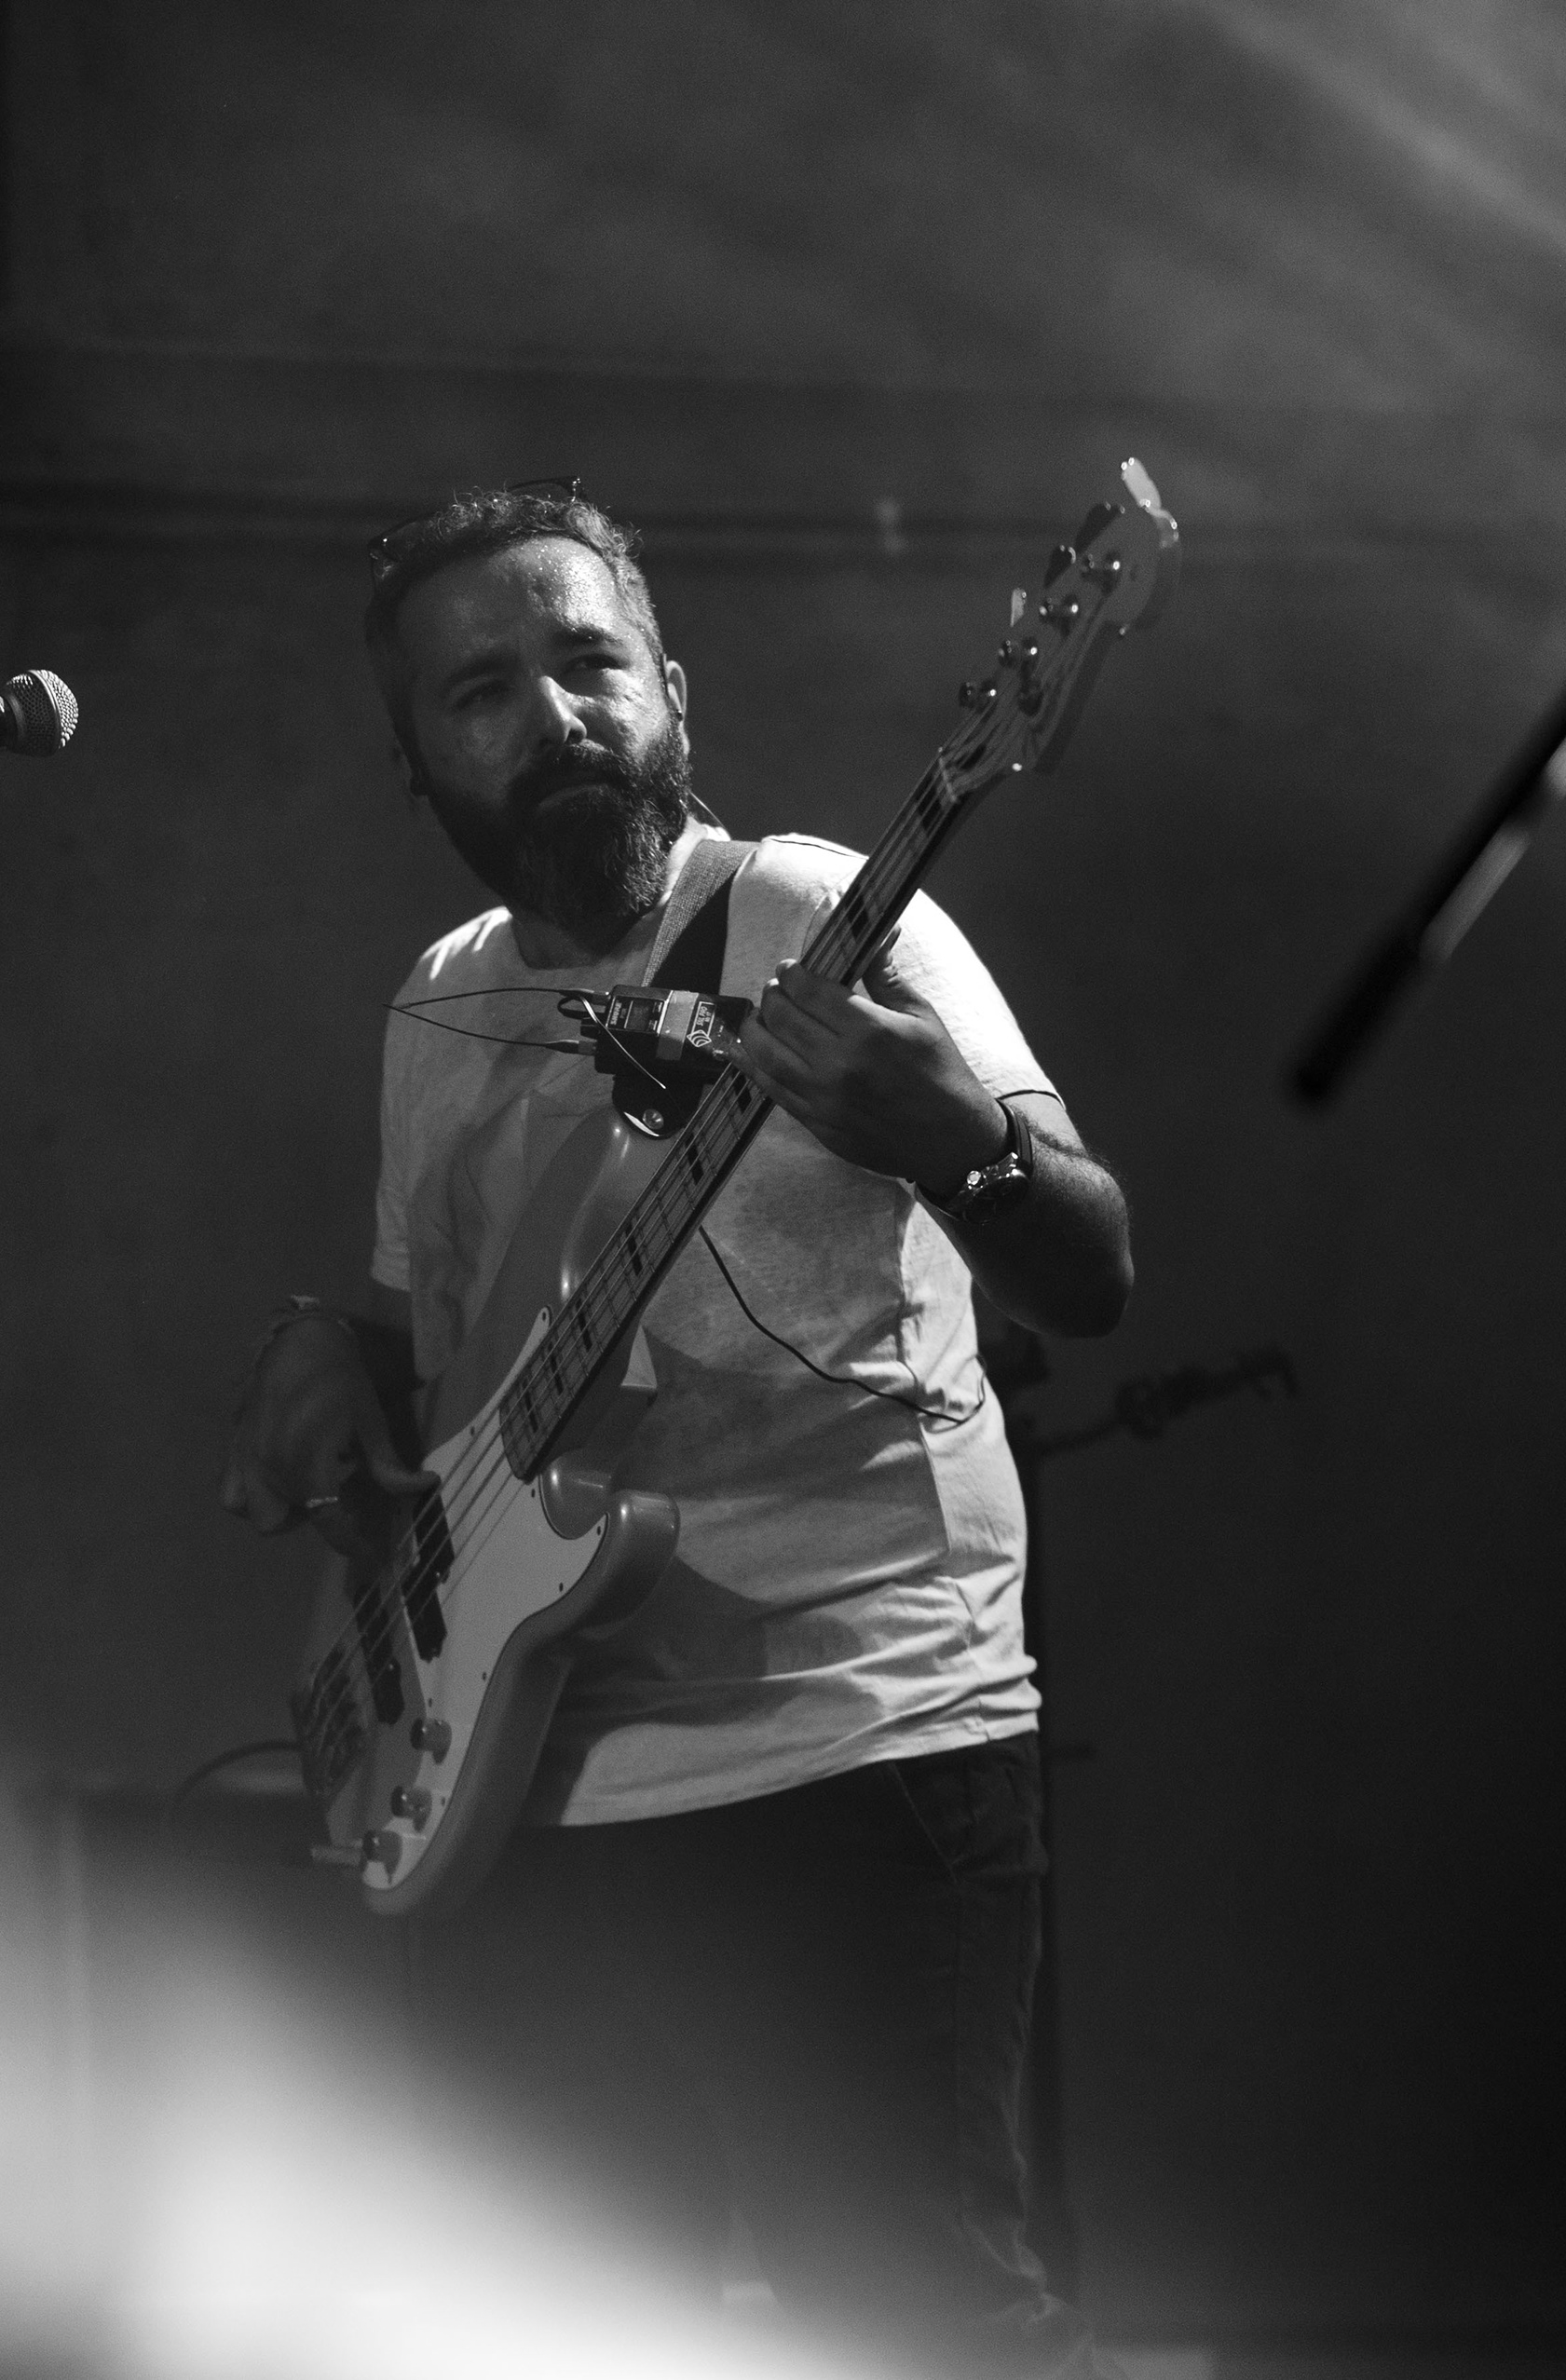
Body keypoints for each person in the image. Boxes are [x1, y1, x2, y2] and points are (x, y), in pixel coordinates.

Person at [220, 482, 1133, 2378]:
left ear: (673, 695)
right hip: (525, 1779)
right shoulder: (440, 1004)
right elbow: (448, 1337)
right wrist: (326, 1353)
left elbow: (1093, 1269)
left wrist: (955, 1141)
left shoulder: (818, 915)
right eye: (482, 692)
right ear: (417, 763)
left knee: (924, 2326)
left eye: (589, 663)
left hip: (856, 1743)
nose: (554, 715)